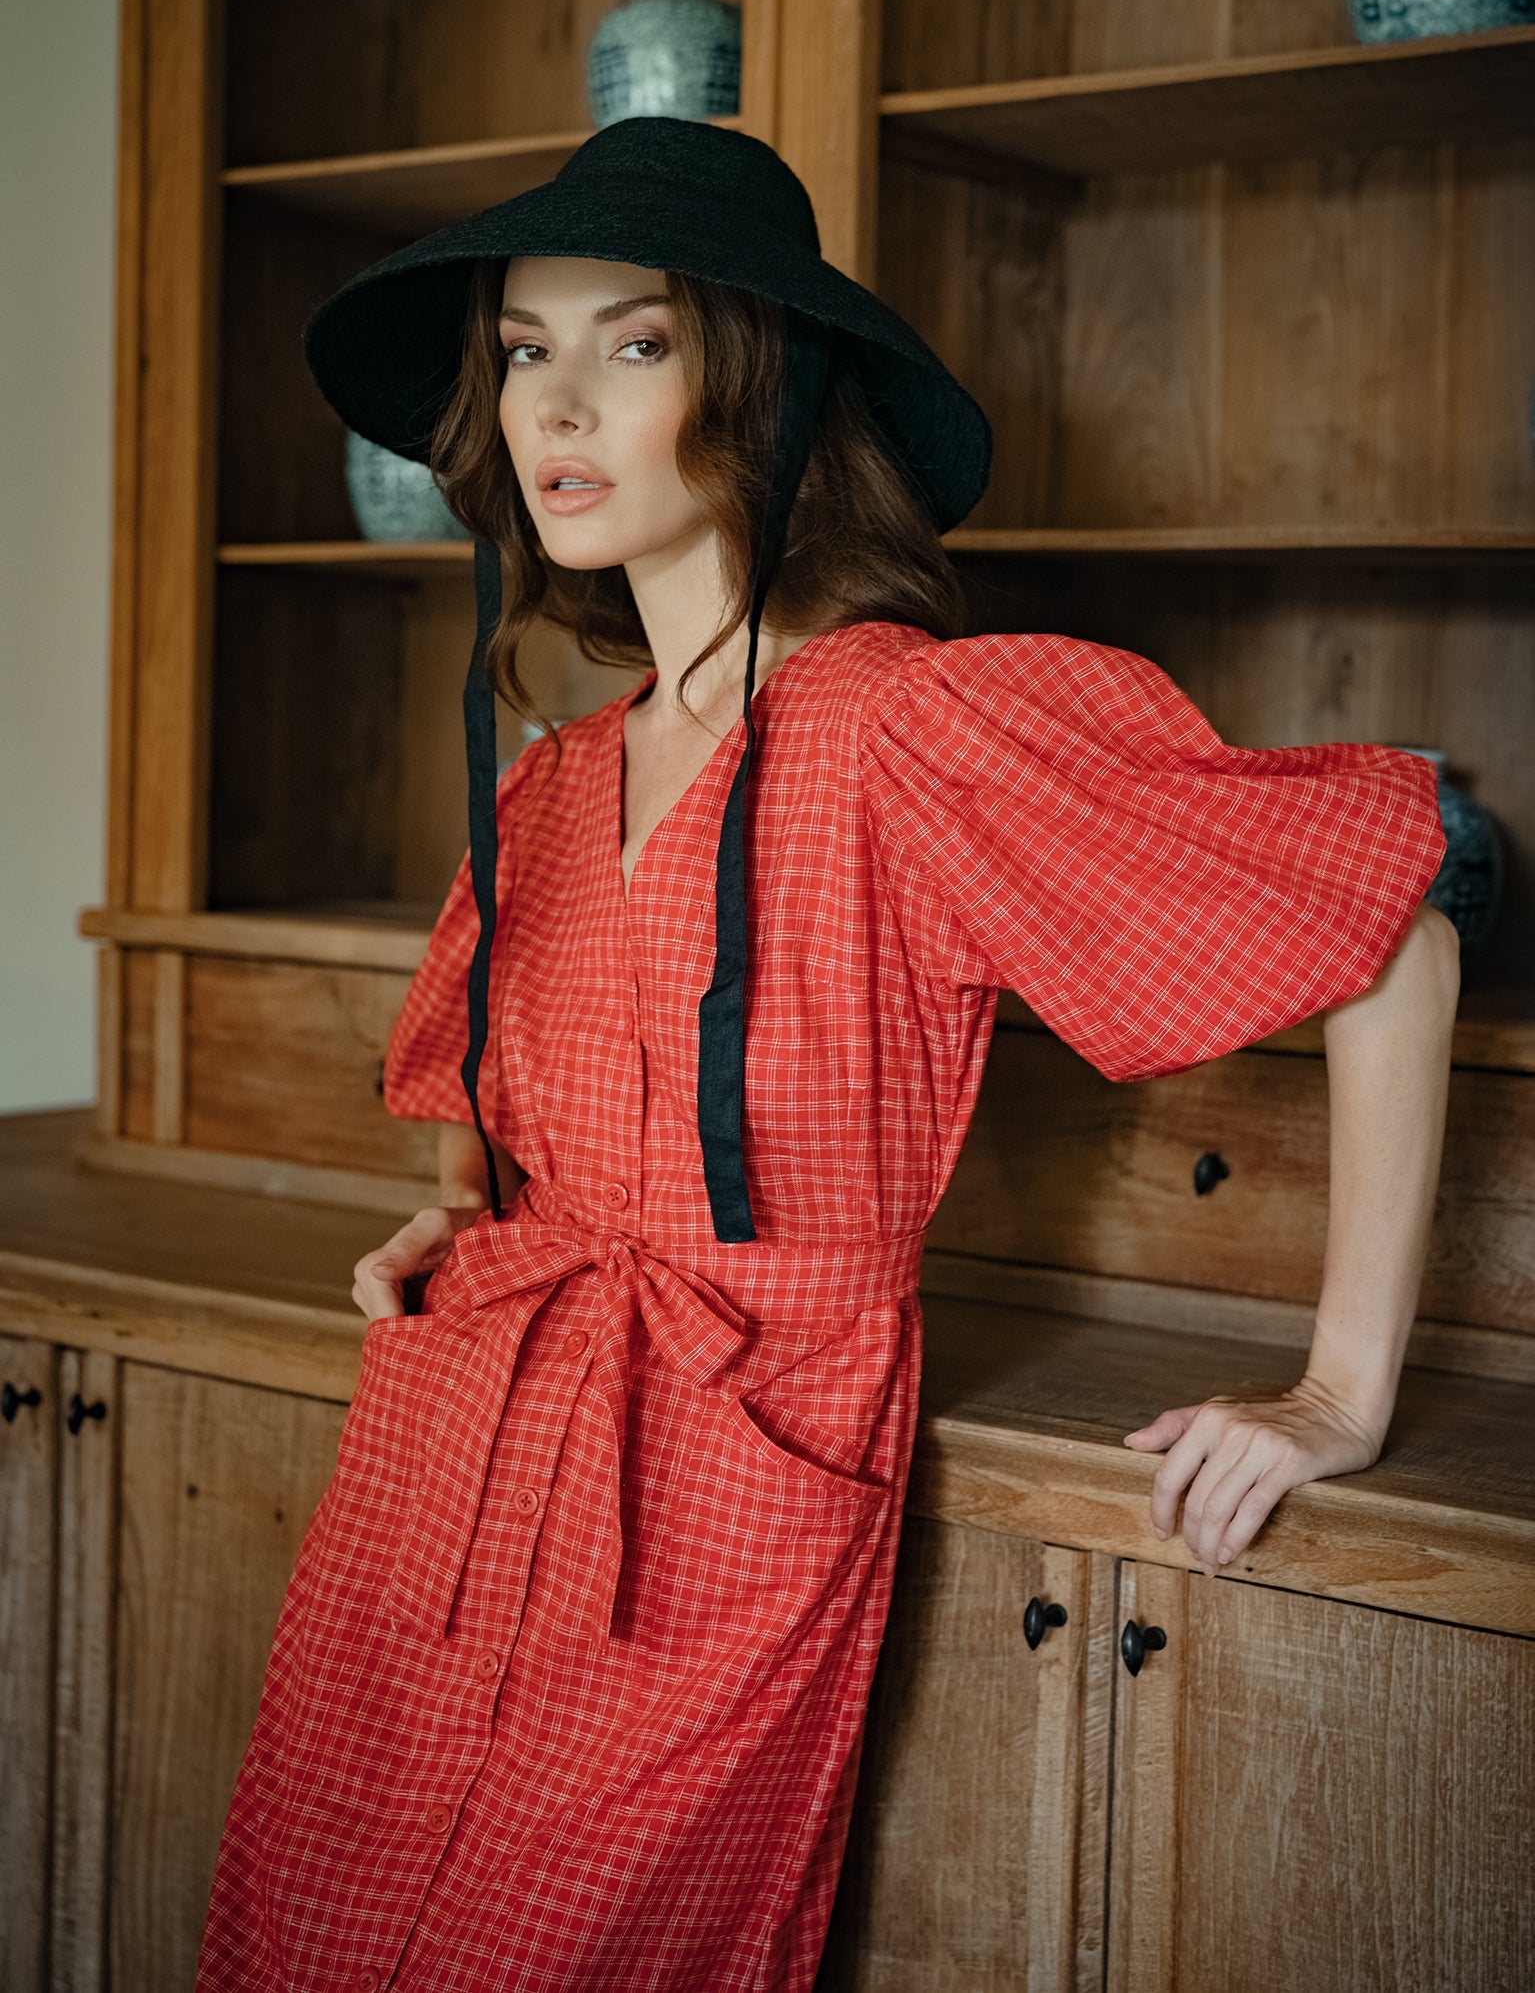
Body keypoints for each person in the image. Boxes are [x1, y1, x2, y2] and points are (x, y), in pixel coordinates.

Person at [196, 118, 1458, 1992]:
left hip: (730, 1478)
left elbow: (1394, 931)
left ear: (761, 389)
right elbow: (502, 1091)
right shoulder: (548, 783)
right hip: (451, 1476)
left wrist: (1341, 1391)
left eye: (633, 344)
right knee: (307, 1940)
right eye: (524, 350)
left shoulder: (904, 729)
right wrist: (451, 1210)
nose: (561, 403)